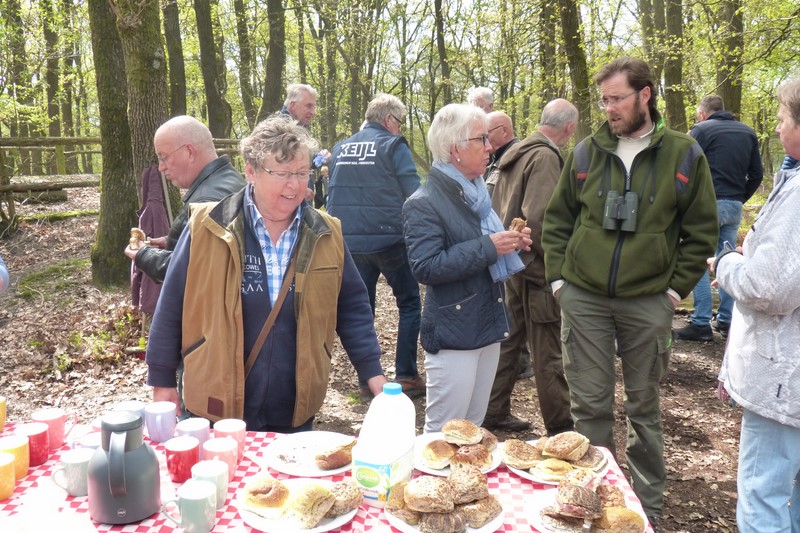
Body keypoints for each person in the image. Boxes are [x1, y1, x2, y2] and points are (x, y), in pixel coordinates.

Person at [542, 57, 718, 524]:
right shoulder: (585, 153)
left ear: (645, 95)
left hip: (649, 302)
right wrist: (561, 282)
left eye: (617, 98)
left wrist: (673, 292)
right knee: (590, 406)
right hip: (585, 299)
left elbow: (701, 230)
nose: (609, 109)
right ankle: (593, 502)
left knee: (644, 406)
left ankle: (647, 507)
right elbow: (557, 221)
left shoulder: (684, 154)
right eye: (603, 100)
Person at [145, 115, 387, 432]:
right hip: (217, 407)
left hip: (293, 407)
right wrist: (162, 378)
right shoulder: (207, 225)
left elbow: (353, 306)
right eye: (283, 173)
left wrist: (373, 374)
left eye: (302, 173)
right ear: (251, 172)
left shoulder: (327, 233)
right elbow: (173, 302)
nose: (296, 185)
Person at [403, 103, 532, 433]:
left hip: (486, 323)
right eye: (481, 139)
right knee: (443, 434)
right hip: (453, 332)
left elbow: (484, 246)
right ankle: (433, 486)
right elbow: (426, 267)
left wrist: (510, 242)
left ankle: (466, 487)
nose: (490, 147)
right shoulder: (424, 202)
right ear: (454, 149)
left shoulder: (477, 197)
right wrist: (490, 247)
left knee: (472, 430)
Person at [712, 78, 800, 533]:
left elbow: (769, 288)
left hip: (784, 381)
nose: (778, 128)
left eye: (784, 119)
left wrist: (727, 262)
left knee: (763, 492)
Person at [485, 99, 578, 435]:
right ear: (569, 128)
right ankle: (561, 427)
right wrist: (558, 270)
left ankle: (492, 410)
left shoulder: (515, 153)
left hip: (512, 265)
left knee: (509, 342)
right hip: (536, 269)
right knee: (548, 351)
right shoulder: (543, 156)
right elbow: (542, 219)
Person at [327, 94, 424, 398]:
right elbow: (414, 192)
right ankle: (406, 374)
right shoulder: (393, 146)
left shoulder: (340, 148)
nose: (400, 129)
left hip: (350, 241)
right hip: (390, 239)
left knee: (361, 307)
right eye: (400, 122)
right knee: (409, 303)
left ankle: (367, 376)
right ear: (388, 120)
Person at [675, 94, 763, 341]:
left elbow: (683, 167)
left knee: (698, 259)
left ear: (703, 113)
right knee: (728, 259)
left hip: (706, 205)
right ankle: (726, 320)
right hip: (734, 205)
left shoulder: (701, 130)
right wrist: (738, 199)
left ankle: (701, 322)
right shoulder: (748, 132)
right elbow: (757, 174)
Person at [124, 116, 246, 283]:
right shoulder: (228, 179)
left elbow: (190, 271)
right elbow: (211, 248)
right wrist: (174, 241)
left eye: (163, 157)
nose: (160, 167)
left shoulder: (207, 201)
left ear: (189, 152)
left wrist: (143, 255)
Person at [484, 111, 518, 197]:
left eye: (486, 136)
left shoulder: (517, 157)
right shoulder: (496, 157)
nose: (484, 141)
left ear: (504, 131)